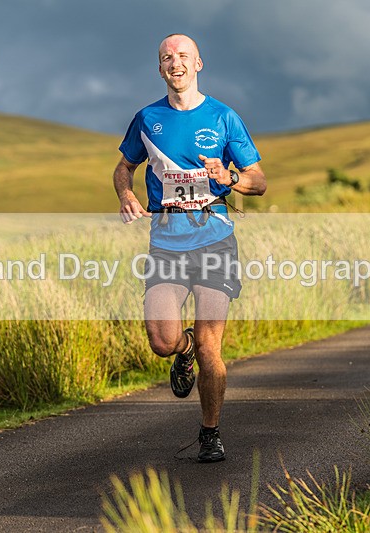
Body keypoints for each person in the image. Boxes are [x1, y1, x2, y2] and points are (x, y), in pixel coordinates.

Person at [113, 33, 266, 462]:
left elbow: (259, 181)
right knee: (162, 339)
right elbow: (123, 167)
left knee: (209, 344)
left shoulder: (223, 117)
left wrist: (231, 176)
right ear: (159, 67)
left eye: (183, 56)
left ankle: (210, 432)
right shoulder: (147, 118)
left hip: (215, 241)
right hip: (166, 244)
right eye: (167, 58)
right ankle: (180, 355)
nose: (174, 63)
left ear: (199, 64)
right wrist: (125, 194)